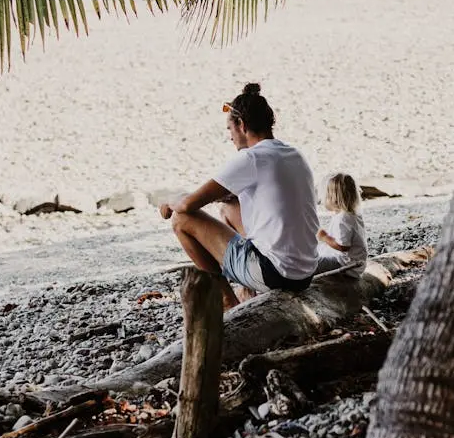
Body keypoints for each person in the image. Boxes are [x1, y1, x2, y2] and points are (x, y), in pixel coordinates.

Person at [158, 83, 320, 309]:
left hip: (276, 274)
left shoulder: (251, 158)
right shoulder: (294, 154)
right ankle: (247, 288)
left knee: (181, 220)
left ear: (241, 125)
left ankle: (227, 301)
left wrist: (168, 200)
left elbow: (187, 204)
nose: (229, 136)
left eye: (229, 129)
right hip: (304, 272)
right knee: (229, 206)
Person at [314, 173, 368, 278]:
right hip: (355, 264)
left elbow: (343, 246)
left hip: (346, 266)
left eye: (327, 197)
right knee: (317, 250)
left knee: (311, 263)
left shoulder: (344, 219)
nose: (324, 200)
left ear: (335, 199)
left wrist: (325, 237)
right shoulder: (352, 214)